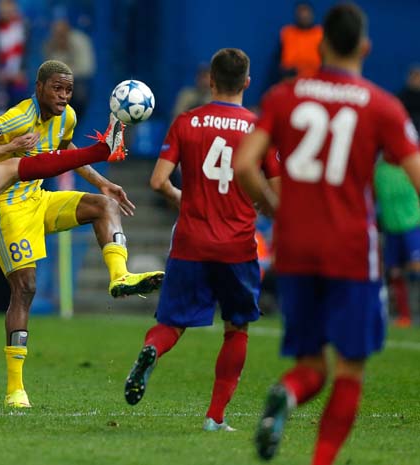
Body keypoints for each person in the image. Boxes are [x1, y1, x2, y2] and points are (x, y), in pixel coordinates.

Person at [0, 59, 165, 409]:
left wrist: (102, 181)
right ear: (39, 88)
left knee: (103, 205)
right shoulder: (20, 116)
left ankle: (120, 276)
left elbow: (64, 150)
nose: (64, 96)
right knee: (26, 288)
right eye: (57, 88)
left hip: (38, 198)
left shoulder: (67, 117)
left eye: (68, 90)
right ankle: (15, 389)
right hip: (7, 208)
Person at [234, 4, 420, 464]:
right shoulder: (383, 106)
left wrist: (276, 209)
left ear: (320, 45)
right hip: (352, 249)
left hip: (295, 247)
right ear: (365, 46)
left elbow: (243, 165)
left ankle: (285, 392)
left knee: (310, 366)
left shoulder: (284, 96)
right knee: (350, 370)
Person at [122, 49, 280, 433]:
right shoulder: (260, 129)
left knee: (172, 323)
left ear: (209, 80)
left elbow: (158, 181)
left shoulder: (186, 122)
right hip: (238, 246)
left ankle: (151, 351)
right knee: (236, 327)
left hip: (190, 242)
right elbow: (276, 196)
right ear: (246, 81)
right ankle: (215, 418)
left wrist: (184, 198)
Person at [374, 158, 420, 327]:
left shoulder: (409, 163)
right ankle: (405, 316)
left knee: (416, 268)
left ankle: (416, 313)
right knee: (394, 272)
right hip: (390, 227)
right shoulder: (379, 171)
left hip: (413, 225)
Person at [42, 18, 96, 117]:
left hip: (78, 83)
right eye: (56, 35)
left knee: (79, 91)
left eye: (62, 35)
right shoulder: (50, 45)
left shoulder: (81, 42)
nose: (59, 39)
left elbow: (86, 69)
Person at [278, 2, 323, 80]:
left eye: (306, 12)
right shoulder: (287, 33)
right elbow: (281, 62)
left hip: (316, 79)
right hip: (291, 78)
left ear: (312, 14)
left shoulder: (320, 33)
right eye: (301, 12)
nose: (304, 15)